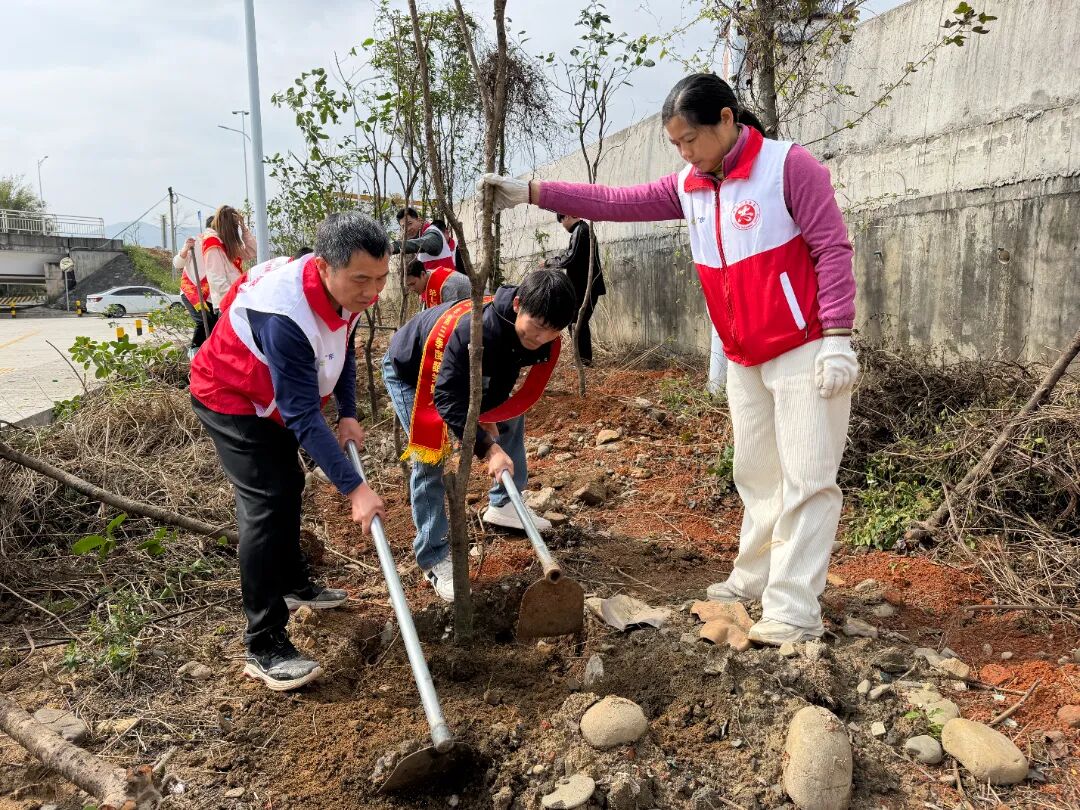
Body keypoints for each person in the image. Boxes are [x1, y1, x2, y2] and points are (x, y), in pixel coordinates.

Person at [478, 73, 859, 646]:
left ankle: (795, 608)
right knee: (755, 472)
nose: (684, 153)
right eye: (676, 144)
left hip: (803, 349)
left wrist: (837, 335)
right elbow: (615, 202)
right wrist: (533, 191)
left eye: (691, 140)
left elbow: (832, 247)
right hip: (744, 356)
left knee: (808, 479)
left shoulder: (788, 167)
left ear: (727, 120)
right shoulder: (692, 183)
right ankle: (754, 577)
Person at [189, 212, 388, 690]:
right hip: (230, 395)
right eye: (362, 279)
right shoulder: (286, 316)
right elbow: (301, 417)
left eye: (381, 279)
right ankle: (264, 642)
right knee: (266, 501)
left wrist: (348, 413)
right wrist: (355, 488)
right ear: (323, 266)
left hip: (272, 399)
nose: (372, 291)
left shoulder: (348, 292)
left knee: (289, 484)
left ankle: (296, 585)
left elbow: (341, 348)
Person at [382, 269, 577, 601]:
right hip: (413, 368)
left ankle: (503, 506)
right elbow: (445, 397)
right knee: (432, 453)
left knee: (509, 417)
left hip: (462, 371)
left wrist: (490, 417)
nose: (542, 337)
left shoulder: (535, 336)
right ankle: (432, 556)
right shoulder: (476, 330)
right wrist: (488, 449)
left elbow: (505, 373)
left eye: (552, 331)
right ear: (518, 305)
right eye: (538, 326)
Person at [173, 207, 256, 351]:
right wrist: (185, 249)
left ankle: (205, 353)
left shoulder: (225, 245)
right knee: (205, 322)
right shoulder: (202, 243)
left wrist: (245, 229)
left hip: (212, 295)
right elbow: (178, 264)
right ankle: (195, 351)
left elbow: (251, 252)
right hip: (194, 290)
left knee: (213, 328)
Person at [543, 213, 606, 365]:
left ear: (567, 217)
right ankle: (584, 360)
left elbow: (570, 258)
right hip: (582, 288)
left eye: (561, 221)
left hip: (586, 289)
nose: (563, 226)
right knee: (576, 323)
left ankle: (584, 361)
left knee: (577, 323)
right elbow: (571, 256)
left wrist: (549, 263)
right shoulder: (581, 230)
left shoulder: (581, 230)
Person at [392, 207, 456, 275]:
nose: (408, 229)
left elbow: (429, 243)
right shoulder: (420, 237)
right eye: (403, 227)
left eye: (410, 223)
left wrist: (394, 247)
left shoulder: (433, 232)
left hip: (446, 283)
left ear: (419, 220)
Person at [404, 258, 471, 308]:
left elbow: (450, 315)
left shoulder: (445, 286)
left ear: (423, 274)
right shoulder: (429, 276)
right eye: (408, 285)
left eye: (413, 284)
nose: (411, 289)